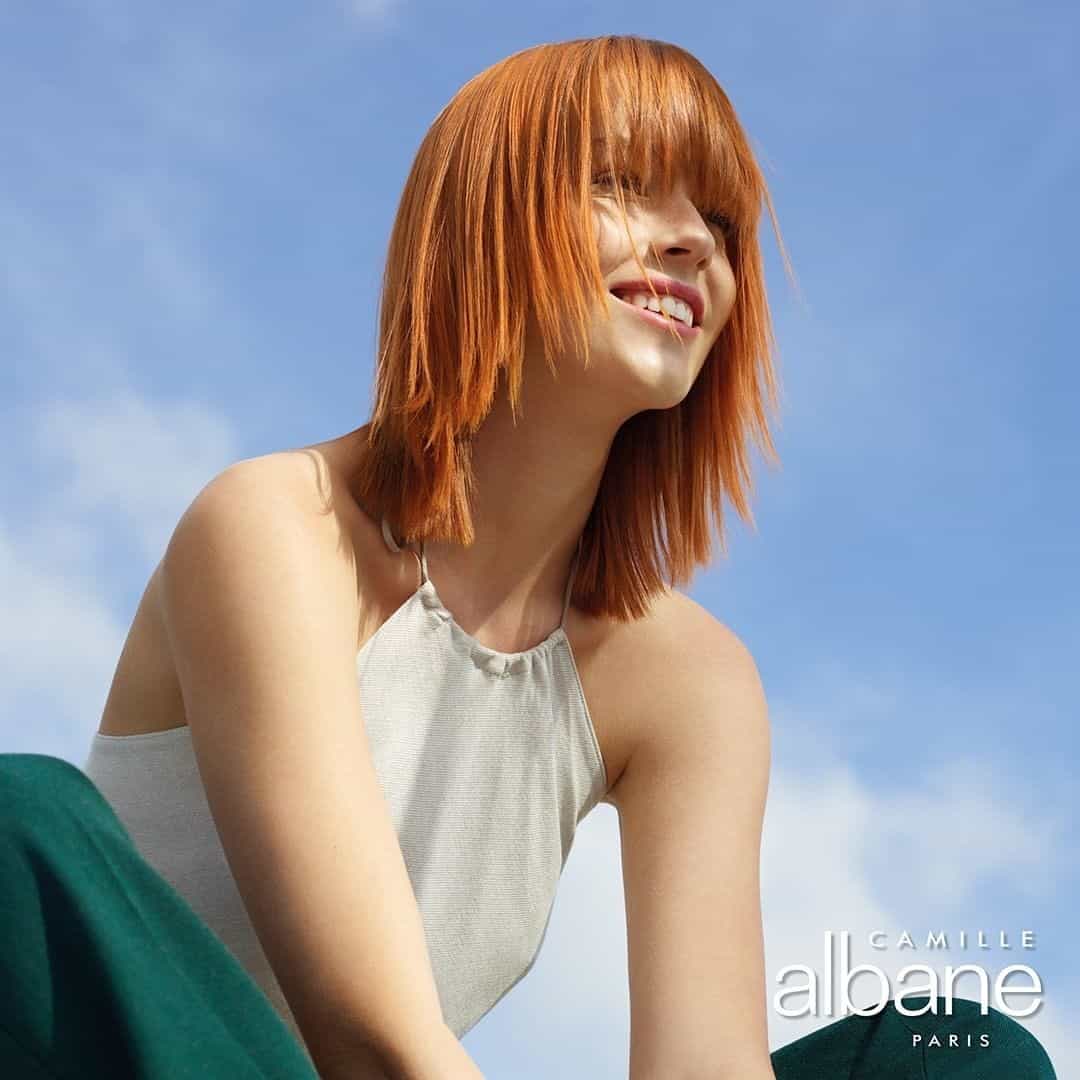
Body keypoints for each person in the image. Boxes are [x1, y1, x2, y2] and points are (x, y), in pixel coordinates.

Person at [0, 34, 1057, 1080]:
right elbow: (369, 1037)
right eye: (622, 184)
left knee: (955, 1057)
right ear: (484, 225)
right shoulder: (279, 526)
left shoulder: (689, 682)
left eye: (717, 218)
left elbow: (705, 1070)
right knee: (23, 824)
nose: (692, 239)